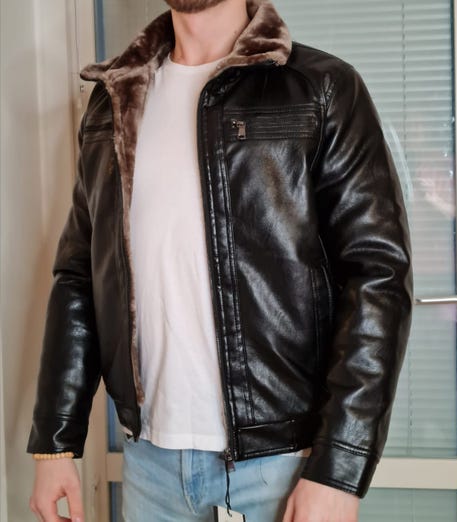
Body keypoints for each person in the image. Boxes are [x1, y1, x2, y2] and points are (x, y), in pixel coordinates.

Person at [27, 0, 413, 520]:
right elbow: (79, 275)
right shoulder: (113, 97)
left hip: (283, 462)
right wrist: (55, 443)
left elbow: (378, 275)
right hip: (150, 463)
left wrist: (338, 469)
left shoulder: (322, 88)